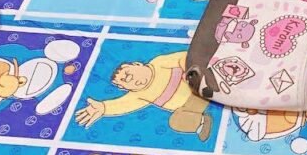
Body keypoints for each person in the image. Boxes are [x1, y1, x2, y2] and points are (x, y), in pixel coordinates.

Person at [75, 50, 213, 139]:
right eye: (125, 82)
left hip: (198, 87)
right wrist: (104, 107)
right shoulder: (139, 95)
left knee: (204, 75)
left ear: (138, 64)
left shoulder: (158, 64)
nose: (132, 80)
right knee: (175, 122)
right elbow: (123, 105)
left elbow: (181, 57)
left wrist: (188, 70)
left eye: (129, 73)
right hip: (189, 107)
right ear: (123, 88)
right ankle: (201, 122)